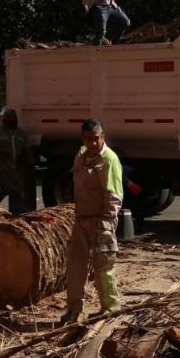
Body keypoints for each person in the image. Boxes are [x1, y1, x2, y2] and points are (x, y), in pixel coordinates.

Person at [61, 119, 124, 324]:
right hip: (81, 219)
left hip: (101, 221)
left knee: (103, 267)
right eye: (88, 139)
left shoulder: (109, 159)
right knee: (75, 266)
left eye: (96, 139)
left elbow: (114, 196)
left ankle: (110, 309)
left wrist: (106, 223)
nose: (93, 143)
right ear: (83, 139)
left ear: (102, 137)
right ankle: (74, 310)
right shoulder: (80, 156)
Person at [0, 109, 36, 214]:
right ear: (5, 118)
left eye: (13, 117)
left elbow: (27, 148)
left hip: (16, 167)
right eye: (9, 117)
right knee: (8, 187)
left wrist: (31, 161)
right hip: (1, 166)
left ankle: (15, 212)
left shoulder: (20, 133)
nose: (11, 119)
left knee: (15, 189)